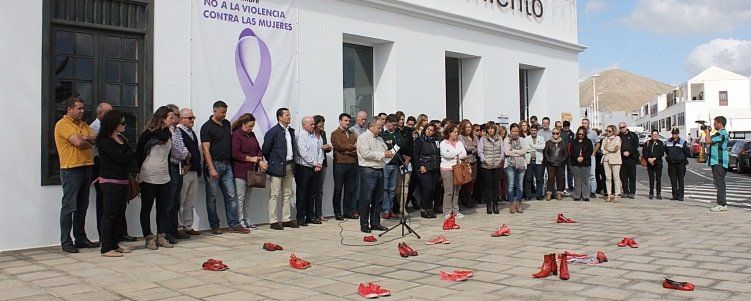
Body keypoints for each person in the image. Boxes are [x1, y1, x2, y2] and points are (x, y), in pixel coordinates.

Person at [54, 96, 99, 253]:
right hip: (71, 168)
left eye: (82, 108)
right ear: (69, 109)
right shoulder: (63, 124)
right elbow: (78, 142)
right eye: (78, 108)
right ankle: (66, 241)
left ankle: (80, 238)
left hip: (86, 166)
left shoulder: (84, 125)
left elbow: (95, 139)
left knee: (82, 206)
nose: (82, 111)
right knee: (69, 206)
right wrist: (86, 140)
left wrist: (85, 138)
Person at [200, 101, 247, 234]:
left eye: (225, 112)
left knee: (231, 195)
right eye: (222, 112)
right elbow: (206, 150)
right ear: (215, 111)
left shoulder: (226, 124)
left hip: (227, 164)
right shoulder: (206, 127)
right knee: (212, 197)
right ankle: (214, 225)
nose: (224, 114)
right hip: (214, 164)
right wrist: (211, 168)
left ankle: (234, 224)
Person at [94, 110, 134, 257]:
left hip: (122, 180)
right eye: (122, 123)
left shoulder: (121, 138)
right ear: (113, 124)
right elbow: (121, 158)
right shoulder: (104, 141)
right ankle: (106, 247)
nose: (124, 125)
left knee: (119, 213)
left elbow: (129, 155)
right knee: (109, 214)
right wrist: (125, 156)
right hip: (110, 181)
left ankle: (114, 243)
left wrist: (126, 156)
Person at [136, 106, 175, 250]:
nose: (173, 120)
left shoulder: (169, 134)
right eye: (170, 117)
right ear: (162, 118)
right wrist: (139, 171)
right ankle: (148, 237)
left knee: (163, 208)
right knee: (146, 207)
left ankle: (161, 236)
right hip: (149, 173)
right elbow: (139, 153)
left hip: (164, 174)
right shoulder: (148, 134)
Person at [263, 108, 299, 230]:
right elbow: (266, 149)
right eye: (287, 115)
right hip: (277, 166)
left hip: (289, 165)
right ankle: (273, 221)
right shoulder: (273, 132)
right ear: (280, 117)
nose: (289, 117)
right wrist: (273, 162)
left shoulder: (291, 131)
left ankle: (286, 219)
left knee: (287, 193)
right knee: (275, 193)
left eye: (289, 114)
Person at [357, 116, 394, 233]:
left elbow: (385, 150)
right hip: (368, 170)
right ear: (371, 126)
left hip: (380, 169)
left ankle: (375, 223)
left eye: (381, 127)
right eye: (379, 127)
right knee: (366, 199)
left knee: (378, 199)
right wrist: (383, 155)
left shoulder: (379, 139)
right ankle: (364, 224)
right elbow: (366, 153)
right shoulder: (363, 138)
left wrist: (389, 153)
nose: (380, 130)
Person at [231, 113, 267, 229]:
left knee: (247, 198)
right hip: (240, 171)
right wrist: (251, 159)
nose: (251, 128)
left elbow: (258, 150)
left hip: (251, 171)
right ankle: (240, 220)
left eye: (253, 126)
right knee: (240, 197)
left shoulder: (251, 135)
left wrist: (260, 160)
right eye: (250, 126)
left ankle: (247, 219)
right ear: (243, 124)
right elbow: (235, 153)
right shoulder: (237, 135)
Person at [89, 102, 115, 240]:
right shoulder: (94, 128)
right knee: (104, 203)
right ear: (100, 114)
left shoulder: (110, 129)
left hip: (112, 169)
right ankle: (103, 235)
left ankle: (116, 233)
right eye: (108, 113)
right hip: (100, 167)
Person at [166, 104, 191, 243]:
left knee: (176, 201)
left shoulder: (177, 131)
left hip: (179, 167)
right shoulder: (169, 131)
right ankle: (168, 231)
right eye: (175, 115)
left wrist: (186, 154)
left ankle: (174, 229)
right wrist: (186, 154)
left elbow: (183, 148)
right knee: (170, 202)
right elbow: (178, 151)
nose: (177, 117)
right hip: (171, 166)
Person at [176, 108, 202, 235]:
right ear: (182, 119)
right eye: (189, 118)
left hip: (194, 171)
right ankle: (179, 226)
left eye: (193, 118)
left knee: (190, 201)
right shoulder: (178, 131)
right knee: (181, 199)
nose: (192, 120)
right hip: (184, 170)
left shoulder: (192, 132)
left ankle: (188, 225)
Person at [295, 116, 324, 226]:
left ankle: (310, 216)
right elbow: (303, 153)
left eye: (313, 124)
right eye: (311, 124)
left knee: (312, 193)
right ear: (304, 125)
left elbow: (320, 150)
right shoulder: (300, 136)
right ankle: (300, 217)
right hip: (303, 168)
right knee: (302, 193)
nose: (313, 126)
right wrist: (314, 163)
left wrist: (319, 163)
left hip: (315, 168)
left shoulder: (315, 136)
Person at [331, 113, 358, 220]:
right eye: (345, 120)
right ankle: (337, 212)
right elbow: (339, 146)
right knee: (338, 189)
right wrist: (351, 148)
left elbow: (358, 147)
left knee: (349, 189)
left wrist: (348, 150)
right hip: (340, 164)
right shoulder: (335, 134)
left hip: (352, 163)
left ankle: (348, 211)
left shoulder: (352, 134)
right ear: (340, 121)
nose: (347, 123)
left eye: (348, 121)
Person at [380, 114, 407, 219]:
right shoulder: (383, 133)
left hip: (395, 163)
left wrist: (394, 141)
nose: (394, 127)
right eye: (392, 125)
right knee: (385, 188)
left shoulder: (397, 133)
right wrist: (393, 143)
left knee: (392, 188)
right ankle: (386, 209)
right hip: (385, 164)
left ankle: (391, 208)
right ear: (387, 123)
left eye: (396, 125)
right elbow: (386, 145)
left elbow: (402, 143)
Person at [439, 124, 468, 218]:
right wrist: (458, 153)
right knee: (449, 191)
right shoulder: (443, 143)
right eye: (454, 132)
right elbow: (447, 155)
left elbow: (464, 154)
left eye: (457, 132)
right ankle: (447, 211)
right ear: (449, 133)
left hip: (458, 169)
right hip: (447, 169)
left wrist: (456, 154)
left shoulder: (459, 143)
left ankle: (456, 211)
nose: (456, 134)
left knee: (456, 191)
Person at [414, 123, 440, 218]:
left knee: (433, 188)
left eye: (432, 130)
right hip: (424, 167)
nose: (429, 132)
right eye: (428, 129)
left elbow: (437, 153)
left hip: (434, 167)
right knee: (427, 188)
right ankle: (424, 209)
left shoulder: (435, 141)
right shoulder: (420, 140)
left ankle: (429, 208)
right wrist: (420, 166)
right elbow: (416, 155)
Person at [477, 121, 504, 214]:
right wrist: (484, 160)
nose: (491, 130)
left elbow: (502, 151)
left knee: (496, 186)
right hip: (486, 166)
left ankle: (495, 205)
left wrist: (500, 159)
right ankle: (488, 205)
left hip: (496, 165)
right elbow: (480, 151)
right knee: (487, 186)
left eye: (492, 128)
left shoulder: (499, 138)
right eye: (489, 128)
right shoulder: (483, 139)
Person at [504, 123, 530, 213]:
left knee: (520, 185)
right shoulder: (507, 140)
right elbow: (507, 152)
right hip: (510, 164)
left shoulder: (522, 140)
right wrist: (518, 152)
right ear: (510, 131)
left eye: (516, 131)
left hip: (521, 164)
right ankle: (511, 203)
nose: (515, 133)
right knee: (511, 185)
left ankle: (519, 202)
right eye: (513, 131)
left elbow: (525, 150)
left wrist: (514, 151)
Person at [311, 115, 332, 221]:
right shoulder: (310, 134)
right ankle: (311, 213)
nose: (322, 127)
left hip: (322, 163)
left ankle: (319, 213)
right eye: (320, 125)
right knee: (312, 189)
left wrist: (328, 148)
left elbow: (324, 147)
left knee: (319, 189)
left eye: (323, 125)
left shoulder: (323, 133)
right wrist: (320, 147)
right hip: (312, 163)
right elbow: (310, 148)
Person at [707, 116, 729, 212]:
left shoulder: (722, 133)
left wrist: (707, 131)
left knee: (719, 183)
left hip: (718, 161)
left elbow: (708, 140)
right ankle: (721, 203)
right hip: (717, 161)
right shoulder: (719, 134)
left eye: (715, 123)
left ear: (720, 123)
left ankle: (722, 203)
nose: (714, 125)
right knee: (718, 182)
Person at [457, 120, 478, 208]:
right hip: (466, 161)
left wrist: (473, 149)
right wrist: (474, 149)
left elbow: (479, 146)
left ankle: (469, 197)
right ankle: (465, 199)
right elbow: (465, 147)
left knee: (473, 180)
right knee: (466, 181)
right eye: (466, 127)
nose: (468, 129)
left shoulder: (474, 136)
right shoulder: (461, 137)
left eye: (469, 127)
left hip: (474, 161)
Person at [665, 128, 690, 201]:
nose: (674, 135)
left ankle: (680, 196)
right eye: (673, 133)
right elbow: (666, 151)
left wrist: (682, 159)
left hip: (680, 163)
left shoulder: (683, 142)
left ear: (678, 134)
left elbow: (686, 152)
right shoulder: (668, 141)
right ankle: (674, 195)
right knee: (673, 180)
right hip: (671, 163)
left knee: (680, 180)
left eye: (675, 133)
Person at [543, 128, 568, 200]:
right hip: (551, 164)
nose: (555, 135)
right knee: (550, 179)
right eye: (553, 133)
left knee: (559, 179)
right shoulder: (548, 142)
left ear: (559, 134)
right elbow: (545, 153)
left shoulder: (563, 143)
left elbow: (566, 153)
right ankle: (549, 193)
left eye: (557, 133)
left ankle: (559, 193)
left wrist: (562, 160)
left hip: (560, 164)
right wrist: (549, 160)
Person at [569, 126, 593, 201]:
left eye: (582, 134)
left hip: (585, 163)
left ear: (585, 134)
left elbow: (590, 151)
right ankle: (577, 195)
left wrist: (583, 157)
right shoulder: (574, 141)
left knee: (585, 180)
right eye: (579, 134)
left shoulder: (588, 142)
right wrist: (577, 157)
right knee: (577, 180)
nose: (581, 135)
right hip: (576, 163)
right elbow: (571, 151)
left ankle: (585, 195)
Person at [601, 125, 622, 203]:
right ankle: (609, 194)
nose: (608, 132)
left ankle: (617, 195)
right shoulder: (604, 139)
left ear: (614, 131)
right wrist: (608, 150)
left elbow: (616, 149)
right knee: (608, 178)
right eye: (607, 130)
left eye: (609, 131)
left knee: (616, 178)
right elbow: (602, 149)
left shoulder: (617, 138)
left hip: (615, 160)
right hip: (606, 159)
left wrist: (608, 149)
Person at [524, 125, 545, 200]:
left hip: (538, 161)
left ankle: (539, 194)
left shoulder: (541, 138)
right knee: (528, 179)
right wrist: (536, 147)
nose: (533, 132)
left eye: (534, 130)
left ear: (537, 131)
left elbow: (542, 147)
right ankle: (528, 195)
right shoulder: (526, 138)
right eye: (532, 130)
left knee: (539, 178)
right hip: (529, 161)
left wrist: (532, 146)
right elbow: (526, 149)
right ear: (530, 131)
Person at [618, 122, 639, 199]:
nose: (622, 129)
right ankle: (625, 191)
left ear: (626, 126)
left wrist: (629, 152)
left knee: (632, 176)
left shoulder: (633, 135)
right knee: (623, 177)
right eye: (620, 128)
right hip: (622, 159)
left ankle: (632, 192)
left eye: (623, 127)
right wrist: (622, 153)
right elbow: (617, 147)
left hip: (631, 158)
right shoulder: (618, 136)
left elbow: (635, 146)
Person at [643, 129, 665, 200]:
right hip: (650, 163)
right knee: (651, 179)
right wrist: (649, 159)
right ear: (651, 135)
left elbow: (661, 153)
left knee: (658, 179)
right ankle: (651, 193)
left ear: (658, 135)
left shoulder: (661, 143)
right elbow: (644, 152)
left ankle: (658, 193)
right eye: (653, 134)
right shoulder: (647, 143)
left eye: (656, 134)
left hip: (658, 163)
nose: (655, 136)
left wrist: (654, 159)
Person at [582, 119, 601, 198]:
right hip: (582, 156)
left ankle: (592, 191)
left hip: (591, 156)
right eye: (583, 123)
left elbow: (598, 143)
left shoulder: (593, 133)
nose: (584, 124)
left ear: (588, 124)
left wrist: (594, 152)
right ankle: (584, 191)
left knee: (592, 174)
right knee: (583, 174)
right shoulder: (580, 132)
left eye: (585, 123)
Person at [560, 121, 576, 195]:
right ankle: (562, 187)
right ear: (563, 127)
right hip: (562, 155)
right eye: (565, 127)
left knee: (570, 171)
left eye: (568, 127)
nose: (567, 129)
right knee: (562, 172)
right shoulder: (560, 133)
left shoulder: (572, 134)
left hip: (570, 156)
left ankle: (570, 186)